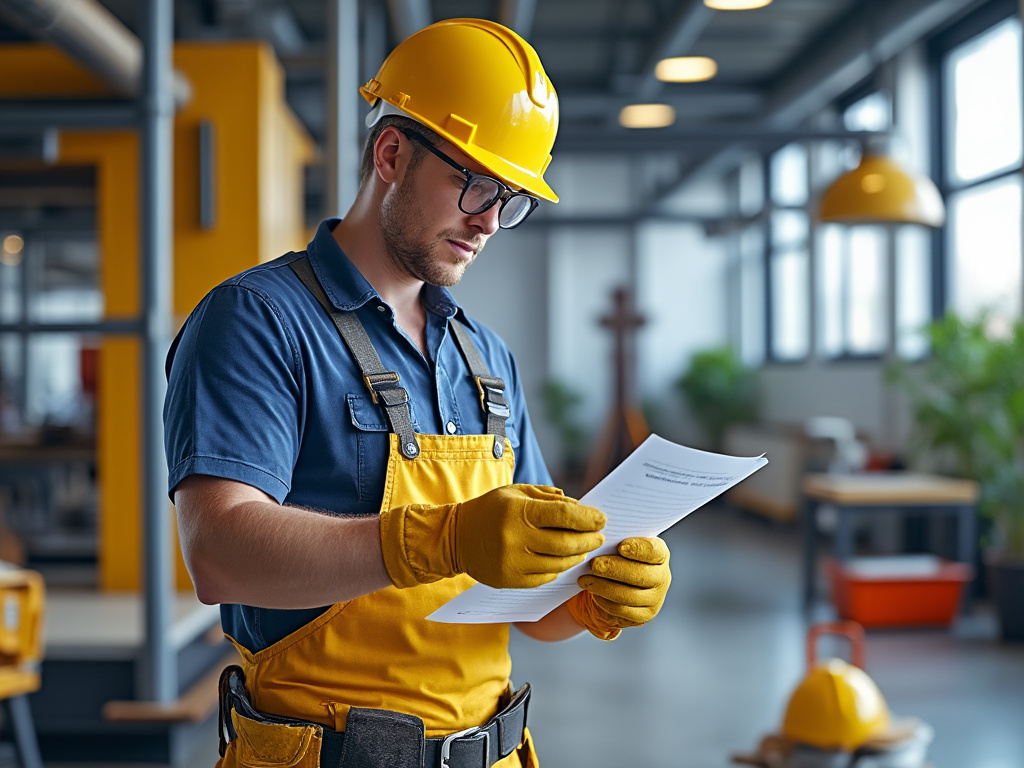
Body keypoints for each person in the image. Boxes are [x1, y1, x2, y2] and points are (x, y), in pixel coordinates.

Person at [164, 18, 673, 768]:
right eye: (473, 184)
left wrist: (590, 596)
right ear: (392, 153)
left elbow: (528, 598)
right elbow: (219, 553)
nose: (490, 221)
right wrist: (438, 538)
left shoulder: (486, 359)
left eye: (510, 197)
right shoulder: (259, 320)